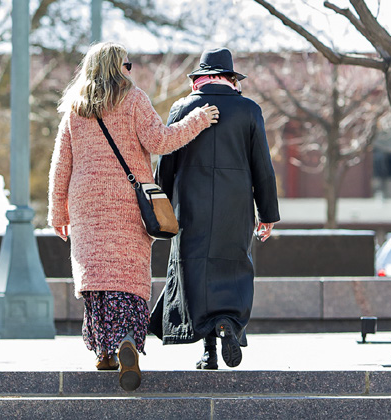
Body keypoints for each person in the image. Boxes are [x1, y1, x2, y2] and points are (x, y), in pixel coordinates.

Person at [47, 42, 219, 391]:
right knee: (128, 272)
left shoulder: (75, 108)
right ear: (118, 67)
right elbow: (161, 141)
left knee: (96, 275)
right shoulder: (134, 99)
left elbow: (60, 165)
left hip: (86, 205)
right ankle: (127, 338)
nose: (131, 70)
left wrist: (57, 211)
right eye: (128, 64)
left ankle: (104, 352)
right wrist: (199, 120)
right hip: (129, 201)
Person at [148, 47, 280, 370]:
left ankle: (208, 351)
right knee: (233, 271)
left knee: (196, 275)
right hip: (235, 213)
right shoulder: (249, 111)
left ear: (200, 78)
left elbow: (167, 161)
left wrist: (158, 208)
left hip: (190, 211)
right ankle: (228, 325)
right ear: (231, 78)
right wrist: (267, 214)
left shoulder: (182, 107)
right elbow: (263, 167)